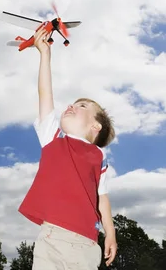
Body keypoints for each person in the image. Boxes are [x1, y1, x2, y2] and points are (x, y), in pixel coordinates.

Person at [18, 26, 118, 269]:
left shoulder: (98, 157)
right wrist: (44, 55)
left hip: (84, 242)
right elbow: (45, 93)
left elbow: (101, 198)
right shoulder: (53, 138)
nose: (72, 106)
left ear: (96, 126)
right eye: (73, 103)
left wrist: (111, 232)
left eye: (82, 106)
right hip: (50, 236)